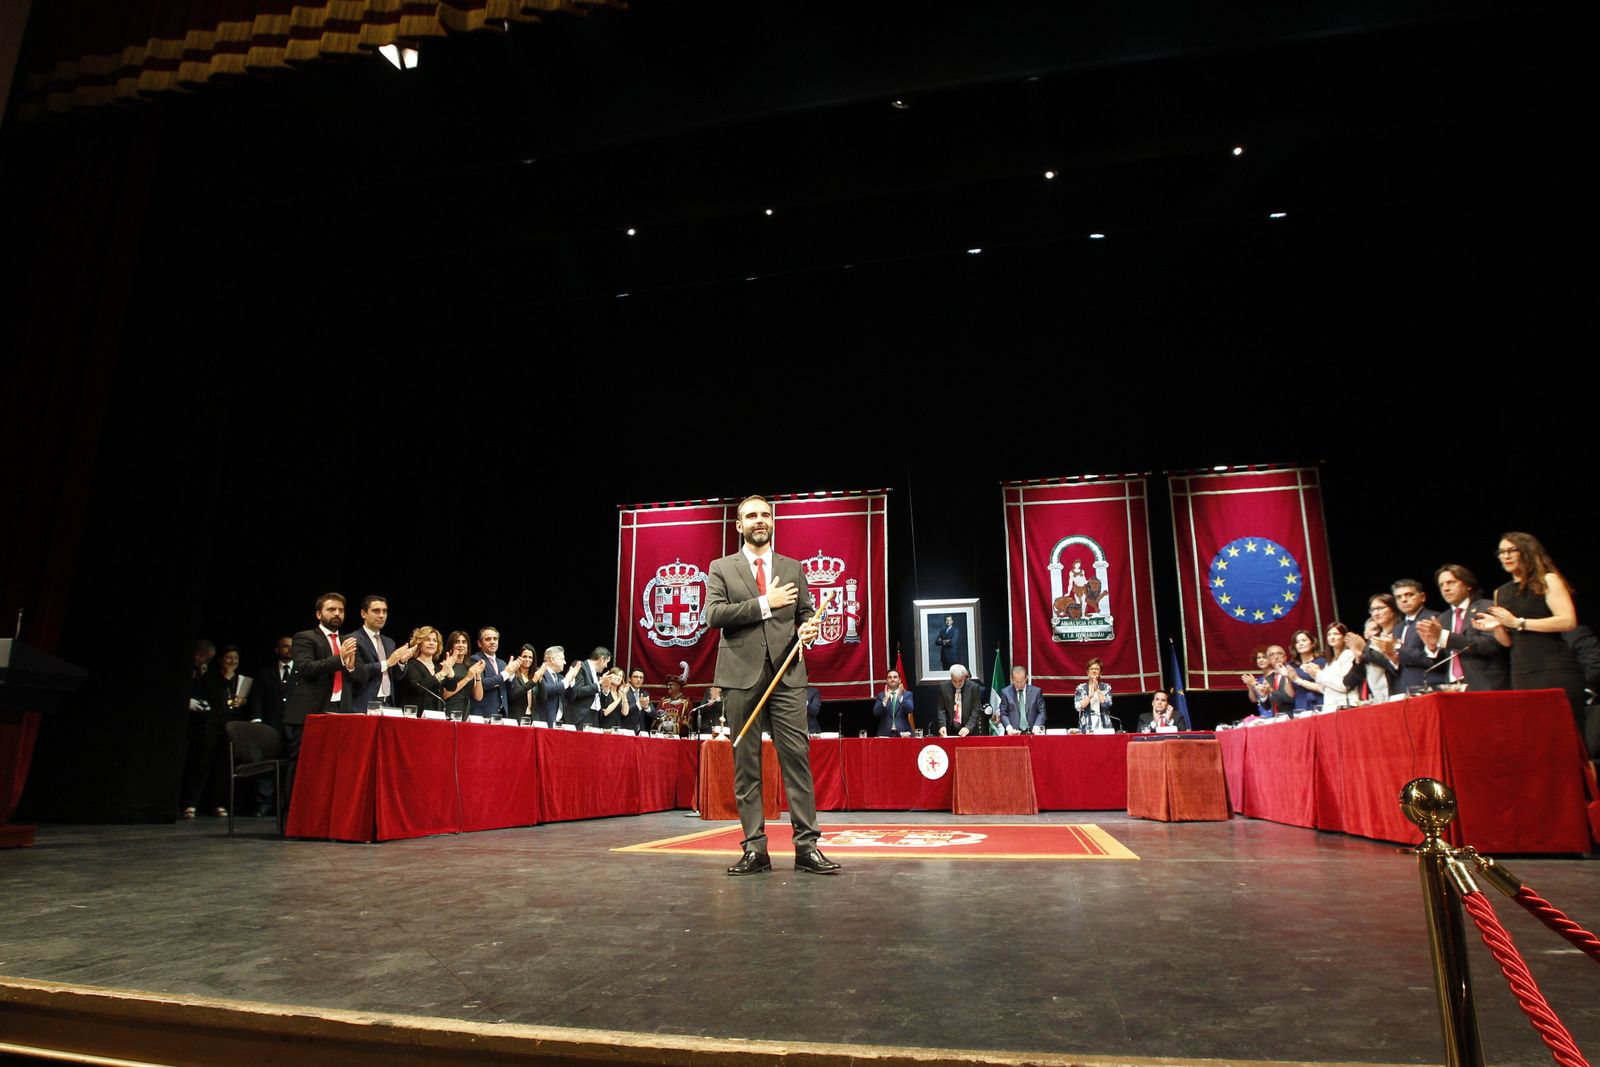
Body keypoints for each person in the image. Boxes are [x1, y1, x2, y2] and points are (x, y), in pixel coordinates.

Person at [704, 494, 838, 876]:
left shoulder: (793, 567)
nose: (759, 520)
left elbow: (806, 614)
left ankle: (807, 847)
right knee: (746, 764)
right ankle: (755, 849)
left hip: (787, 676)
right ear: (739, 525)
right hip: (739, 676)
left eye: (765, 514)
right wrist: (766, 602)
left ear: (773, 521)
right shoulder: (721, 568)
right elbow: (714, 615)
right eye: (751, 515)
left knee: (797, 760)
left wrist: (809, 629)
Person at [1474, 531, 1587, 748]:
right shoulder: (1501, 592)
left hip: (1554, 668)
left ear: (1526, 551)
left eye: (1511, 550)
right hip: (1522, 672)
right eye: (1501, 552)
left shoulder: (1548, 580)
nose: (1505, 556)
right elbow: (1507, 642)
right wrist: (1497, 627)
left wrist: (1519, 623)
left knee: (1571, 740)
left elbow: (1568, 621)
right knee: (1537, 742)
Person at [283, 592, 360, 818]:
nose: (337, 614)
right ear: (319, 614)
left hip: (339, 709)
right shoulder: (305, 637)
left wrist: (351, 666)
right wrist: (340, 659)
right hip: (310, 712)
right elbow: (307, 668)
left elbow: (354, 676)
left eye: (341, 610)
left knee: (333, 769)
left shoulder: (346, 641)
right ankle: (293, 819)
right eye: (331, 609)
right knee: (303, 767)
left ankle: (323, 818)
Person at [1416, 565, 1509, 691]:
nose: (1445, 588)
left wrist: (1445, 637)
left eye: (1450, 582)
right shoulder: (1442, 618)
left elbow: (1491, 645)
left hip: (1484, 685)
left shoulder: (1486, 607)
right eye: (1441, 585)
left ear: (1468, 585)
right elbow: (1442, 663)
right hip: (1452, 688)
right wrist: (1432, 648)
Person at [180, 639, 232, 818]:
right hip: (207, 726)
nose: (232, 662)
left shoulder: (238, 678)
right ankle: (191, 803)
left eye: (236, 659)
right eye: (228, 658)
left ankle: (219, 803)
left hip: (227, 727)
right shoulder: (211, 676)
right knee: (200, 764)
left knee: (221, 767)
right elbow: (211, 694)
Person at [346, 595, 415, 711]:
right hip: (363, 704)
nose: (381, 615)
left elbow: (396, 677)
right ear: (363, 614)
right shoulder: (352, 639)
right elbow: (357, 672)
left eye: (385, 611)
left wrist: (401, 662)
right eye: (376, 611)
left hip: (388, 703)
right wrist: (387, 663)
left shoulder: (389, 642)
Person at [1391, 579, 1440, 694]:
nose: (1403, 599)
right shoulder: (1397, 627)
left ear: (1422, 597)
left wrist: (1398, 646)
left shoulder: (1433, 619)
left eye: (1409, 595)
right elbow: (1399, 665)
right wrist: (1391, 656)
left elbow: (1434, 659)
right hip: (1406, 688)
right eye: (1398, 597)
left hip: (1429, 686)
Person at [399, 627, 454, 713]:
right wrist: (442, 673)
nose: (431, 643)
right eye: (427, 640)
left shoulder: (438, 667)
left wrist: (450, 673)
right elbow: (419, 688)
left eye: (435, 640)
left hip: (435, 714)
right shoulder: (411, 665)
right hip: (415, 714)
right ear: (419, 644)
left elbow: (451, 687)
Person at [438, 630, 485, 717]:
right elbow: (444, 694)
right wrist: (467, 678)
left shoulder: (469, 668)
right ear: (451, 647)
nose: (461, 645)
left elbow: (478, 697)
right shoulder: (444, 666)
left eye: (464, 642)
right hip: (448, 711)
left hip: (465, 711)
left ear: (467, 649)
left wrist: (478, 675)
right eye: (457, 642)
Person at [564, 647, 612, 728]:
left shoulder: (597, 675)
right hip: (581, 716)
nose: (606, 666)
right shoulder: (580, 666)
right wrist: (599, 685)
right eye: (607, 662)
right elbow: (577, 691)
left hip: (595, 716)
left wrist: (605, 689)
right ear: (601, 659)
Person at [532, 645, 578, 726]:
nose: (565, 662)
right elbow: (545, 689)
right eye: (562, 659)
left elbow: (571, 698)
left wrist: (571, 680)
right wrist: (565, 682)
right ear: (552, 660)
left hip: (559, 723)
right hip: (544, 722)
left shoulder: (560, 678)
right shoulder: (540, 672)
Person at [469, 627, 508, 718]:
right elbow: (482, 684)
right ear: (479, 643)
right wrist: (505, 674)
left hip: (501, 714)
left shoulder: (502, 663)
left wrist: (512, 676)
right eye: (488, 639)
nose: (492, 642)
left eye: (495, 639)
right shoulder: (475, 660)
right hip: (482, 714)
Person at [937, 664, 986, 737]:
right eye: (954, 681)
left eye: (960, 680)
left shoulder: (974, 687)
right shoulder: (943, 687)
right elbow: (941, 709)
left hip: (969, 731)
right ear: (951, 677)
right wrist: (942, 725)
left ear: (965, 677)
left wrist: (968, 727)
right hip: (949, 730)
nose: (957, 684)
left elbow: (976, 709)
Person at [1286, 630, 1326, 714]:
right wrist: (1287, 677)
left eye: (1304, 640)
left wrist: (1298, 680)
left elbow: (1324, 688)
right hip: (1301, 707)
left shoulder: (1322, 662)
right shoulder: (1291, 665)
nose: (1301, 644)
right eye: (1297, 642)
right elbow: (1291, 695)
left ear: (1312, 643)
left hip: (1319, 704)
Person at [999, 665, 1047, 733]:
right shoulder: (1006, 693)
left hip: (1033, 732)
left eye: (1022, 681)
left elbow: (1042, 712)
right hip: (1014, 732)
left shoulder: (1036, 692)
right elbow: (1003, 714)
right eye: (1016, 682)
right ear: (1012, 679)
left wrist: (1037, 725)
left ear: (1026, 678)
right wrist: (1008, 726)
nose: (1019, 685)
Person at [1074, 657, 1114, 730]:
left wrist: (1097, 690)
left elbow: (1107, 704)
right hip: (1086, 725)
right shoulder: (1081, 688)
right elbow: (1078, 706)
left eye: (1097, 669)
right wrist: (1090, 695)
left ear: (1101, 672)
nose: (1094, 671)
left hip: (1104, 725)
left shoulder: (1106, 687)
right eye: (1091, 669)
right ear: (1087, 672)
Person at [872, 669, 915, 736]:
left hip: (904, 734)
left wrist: (900, 697)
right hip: (885, 734)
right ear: (886, 681)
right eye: (890, 677)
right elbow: (876, 712)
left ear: (899, 680)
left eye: (895, 677)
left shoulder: (907, 694)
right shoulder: (881, 695)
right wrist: (885, 700)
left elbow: (910, 709)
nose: (892, 679)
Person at [504, 644, 541, 719]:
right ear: (518, 657)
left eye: (530, 657)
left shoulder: (534, 675)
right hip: (516, 717)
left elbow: (543, 698)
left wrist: (541, 678)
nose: (527, 659)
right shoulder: (513, 674)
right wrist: (532, 682)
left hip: (532, 718)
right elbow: (512, 696)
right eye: (524, 656)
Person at [1239, 647, 1272, 716]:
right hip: (1263, 715)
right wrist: (1250, 686)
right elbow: (1254, 700)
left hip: (1275, 714)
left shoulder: (1276, 675)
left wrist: (1254, 683)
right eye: (1258, 658)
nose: (1261, 660)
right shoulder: (1259, 679)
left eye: (1264, 657)